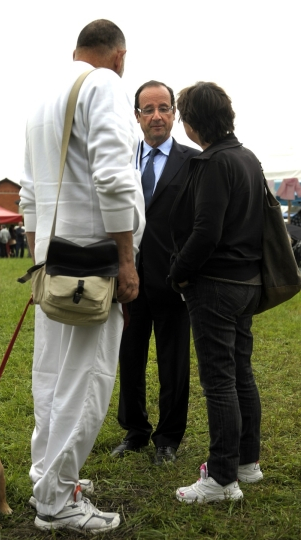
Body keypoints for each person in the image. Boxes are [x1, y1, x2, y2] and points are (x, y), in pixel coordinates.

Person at [19, 19, 145, 533]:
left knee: (50, 375)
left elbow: (28, 193)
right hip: (93, 262)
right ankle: (56, 500)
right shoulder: (106, 85)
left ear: (77, 51)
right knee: (87, 377)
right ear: (118, 56)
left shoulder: (43, 96)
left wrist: (40, 257)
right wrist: (127, 259)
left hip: (54, 260)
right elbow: (114, 177)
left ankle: (47, 475)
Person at [169, 82, 264, 503]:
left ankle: (223, 478)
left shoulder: (211, 163)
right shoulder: (247, 158)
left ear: (191, 124)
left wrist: (179, 272)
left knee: (219, 380)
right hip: (246, 282)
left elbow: (206, 231)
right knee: (241, 372)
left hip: (216, 284)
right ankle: (248, 462)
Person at [111, 81, 200, 465]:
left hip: (173, 279)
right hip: (128, 278)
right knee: (128, 355)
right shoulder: (120, 159)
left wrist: (187, 270)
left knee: (173, 360)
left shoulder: (193, 161)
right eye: (148, 109)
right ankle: (135, 430)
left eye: (164, 107)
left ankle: (168, 437)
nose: (157, 116)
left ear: (174, 114)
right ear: (137, 116)